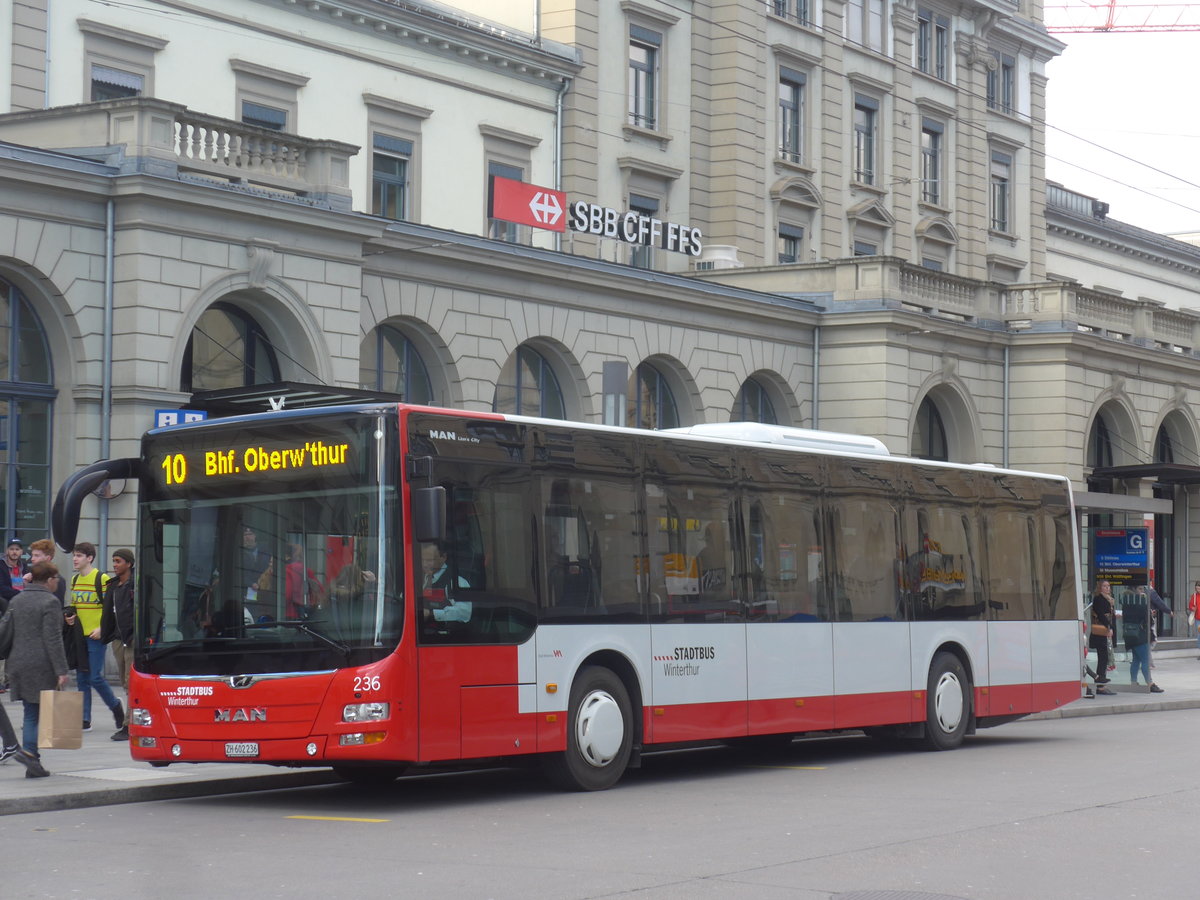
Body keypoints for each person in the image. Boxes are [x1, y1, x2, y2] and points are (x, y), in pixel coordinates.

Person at [5, 562, 68, 777]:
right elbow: (53, 639)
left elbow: (7, 630)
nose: (57, 582)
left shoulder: (17, 599)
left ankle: (33, 764)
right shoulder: (50, 602)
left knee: (30, 712)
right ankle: (30, 754)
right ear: (49, 580)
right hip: (41, 664)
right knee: (35, 712)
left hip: (18, 662)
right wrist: (61, 669)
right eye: (56, 579)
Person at [70, 542, 124, 733]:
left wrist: (102, 628)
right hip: (79, 636)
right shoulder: (75, 580)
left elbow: (112, 608)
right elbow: (75, 606)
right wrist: (70, 617)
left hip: (96, 636)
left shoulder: (101, 579)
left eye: (79, 556)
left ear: (89, 558)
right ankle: (85, 719)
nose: (75, 559)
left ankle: (115, 706)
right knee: (82, 678)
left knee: (94, 677)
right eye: (74, 556)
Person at [99, 549, 135, 741]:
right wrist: (108, 634)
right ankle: (132, 721)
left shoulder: (135, 584)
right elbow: (108, 613)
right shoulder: (113, 585)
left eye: (118, 561)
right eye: (113, 561)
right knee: (124, 683)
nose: (114, 564)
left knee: (131, 682)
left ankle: (128, 726)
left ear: (128, 563)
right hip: (118, 639)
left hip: (132, 639)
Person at [421, 541, 471, 624]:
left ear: (443, 557)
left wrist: (431, 613)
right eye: (422, 560)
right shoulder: (419, 580)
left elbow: (464, 613)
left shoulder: (457, 582)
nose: (424, 564)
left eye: (429, 560)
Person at [1124, 595, 1164, 693]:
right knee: (1145, 660)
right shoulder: (1143, 607)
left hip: (1131, 635)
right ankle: (1149, 683)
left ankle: (1133, 681)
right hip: (1141, 636)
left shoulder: (1127, 605)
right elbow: (1149, 622)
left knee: (1136, 660)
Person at [240, 526, 274, 619]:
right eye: (245, 535)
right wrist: (251, 583)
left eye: (250, 534)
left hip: (264, 589)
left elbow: (270, 566)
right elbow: (239, 573)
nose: (248, 537)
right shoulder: (239, 552)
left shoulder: (265, 549)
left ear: (255, 536)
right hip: (247, 590)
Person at [1090, 580, 1116, 695]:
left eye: (1108, 586)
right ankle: (1100, 686)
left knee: (1105, 657)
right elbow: (1100, 614)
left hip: (1106, 630)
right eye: (1104, 586)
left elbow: (1110, 615)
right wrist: (1108, 626)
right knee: (1103, 657)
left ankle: (1101, 683)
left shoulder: (1109, 599)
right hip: (1101, 631)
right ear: (1100, 588)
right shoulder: (1098, 598)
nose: (1107, 588)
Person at [26, 539, 67, 604]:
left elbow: (55, 605)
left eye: (37, 555)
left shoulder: (57, 580)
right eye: (32, 555)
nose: (32, 559)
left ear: (48, 558)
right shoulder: (30, 577)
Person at [1189, 581, 1200, 658]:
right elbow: (1190, 606)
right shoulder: (1194, 596)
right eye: (1197, 588)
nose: (1198, 590)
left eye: (1199, 588)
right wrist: (1193, 608)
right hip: (1198, 619)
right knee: (1199, 635)